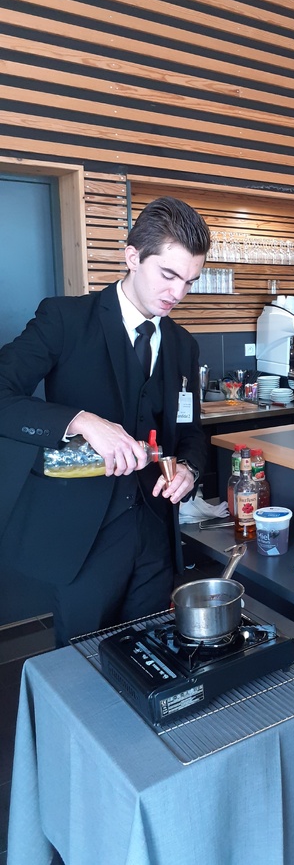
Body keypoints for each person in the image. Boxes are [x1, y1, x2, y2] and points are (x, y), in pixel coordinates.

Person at [0, 196, 210, 646]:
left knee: (151, 653)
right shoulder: (64, 319)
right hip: (84, 536)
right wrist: (80, 420)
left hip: (155, 533)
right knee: (83, 662)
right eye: (168, 275)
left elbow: (190, 430)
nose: (178, 294)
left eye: (189, 281)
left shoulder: (183, 345)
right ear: (132, 257)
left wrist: (190, 469)